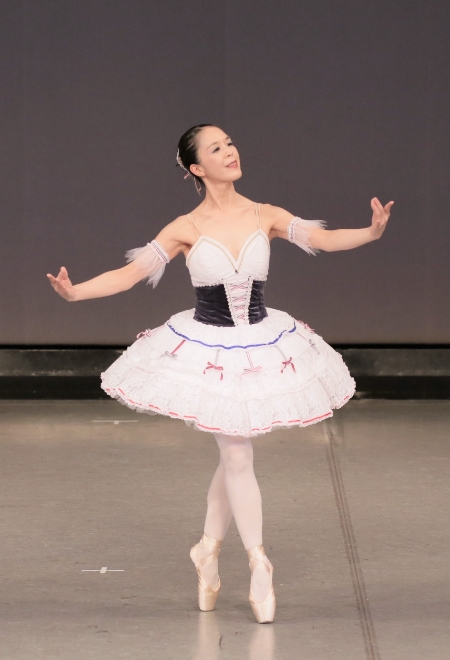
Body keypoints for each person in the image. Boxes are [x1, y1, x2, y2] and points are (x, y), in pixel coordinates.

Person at [47, 124, 393, 623]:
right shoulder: (184, 227)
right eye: (216, 148)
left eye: (229, 143)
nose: (230, 152)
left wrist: (371, 232)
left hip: (261, 343)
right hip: (209, 348)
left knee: (234, 453)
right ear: (196, 167)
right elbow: (130, 274)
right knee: (236, 452)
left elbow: (321, 237)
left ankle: (207, 549)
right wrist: (76, 292)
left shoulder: (265, 214)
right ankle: (259, 563)